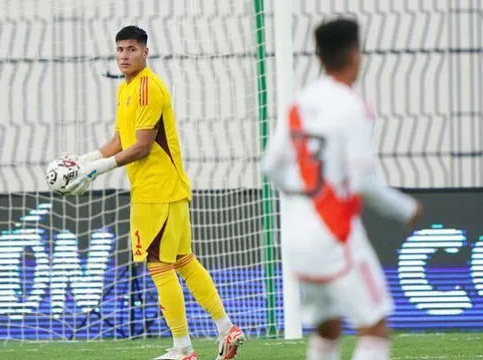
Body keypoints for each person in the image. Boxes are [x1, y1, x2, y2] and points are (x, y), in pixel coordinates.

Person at [56, 25, 245, 360]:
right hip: (165, 189)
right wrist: (86, 160)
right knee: (184, 261)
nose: (124, 56)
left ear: (145, 51)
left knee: (159, 267)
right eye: (120, 50)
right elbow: (121, 139)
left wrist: (96, 171)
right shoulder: (126, 89)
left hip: (156, 191)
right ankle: (226, 328)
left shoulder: (147, 88)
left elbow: (141, 147)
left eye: (131, 49)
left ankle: (183, 349)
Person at [260, 18, 423, 360]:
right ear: (354, 53)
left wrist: (304, 193)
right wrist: (406, 209)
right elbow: (364, 182)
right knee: (376, 328)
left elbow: (270, 166)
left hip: (295, 238)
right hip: (334, 233)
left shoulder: (299, 103)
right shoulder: (352, 105)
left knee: (328, 327)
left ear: (319, 54)